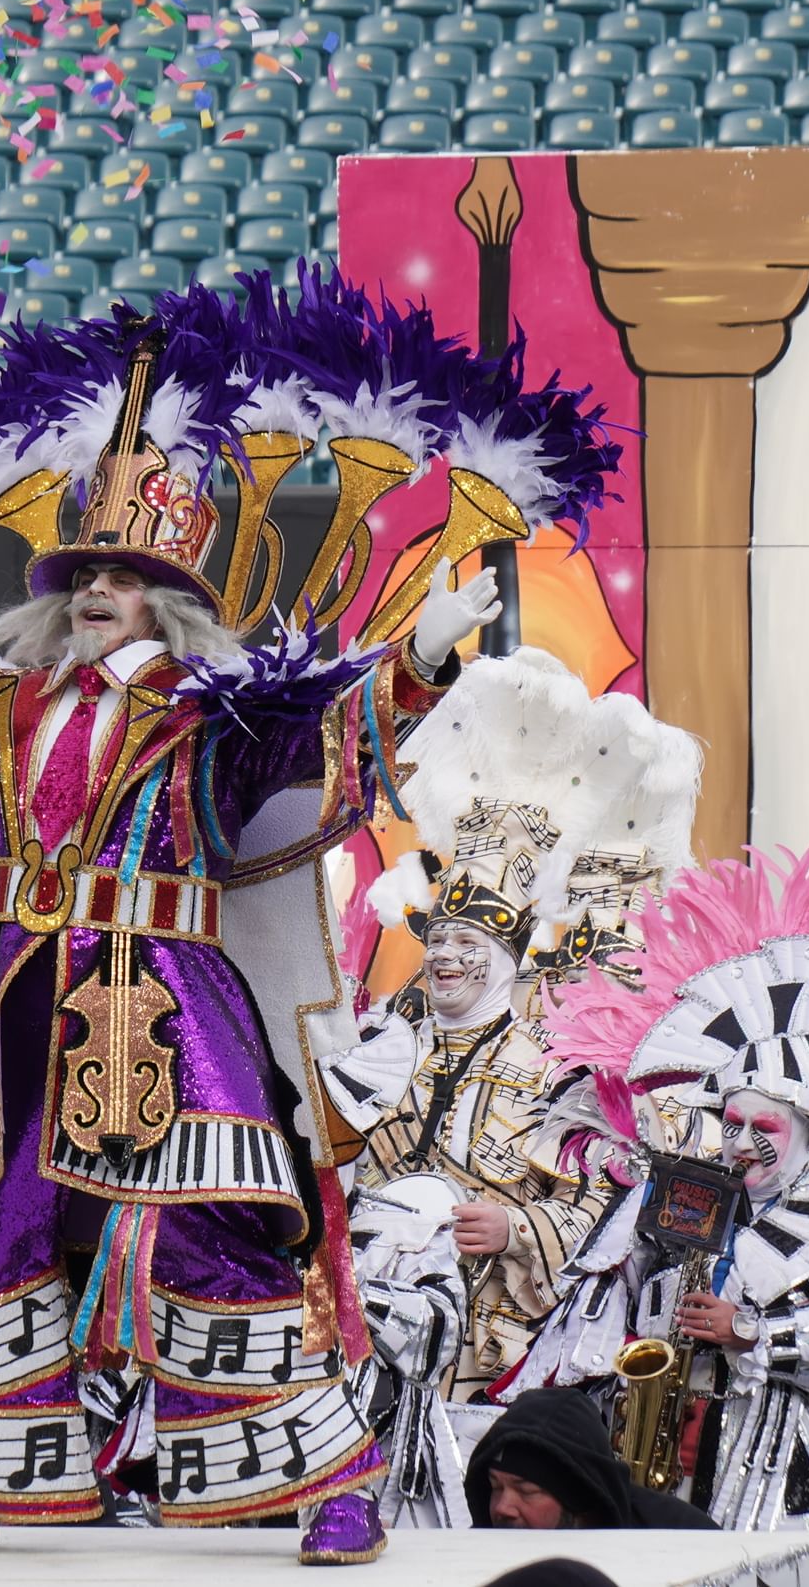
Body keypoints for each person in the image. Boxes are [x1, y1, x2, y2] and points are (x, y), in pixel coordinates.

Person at [0, 272, 618, 1561]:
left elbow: (334, 725)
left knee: (206, 1236)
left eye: (125, 573)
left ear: (169, 599)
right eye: (85, 566)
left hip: (167, 1007)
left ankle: (329, 1482)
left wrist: (417, 656)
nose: (97, 585)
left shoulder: (219, 719)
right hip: (9, 1004)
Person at [324, 648, 699, 1526]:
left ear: (504, 959)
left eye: (471, 947)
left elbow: (614, 1207)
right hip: (376, 1331)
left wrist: (516, 1226)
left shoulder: (553, 1059)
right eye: (439, 941)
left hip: (503, 1343)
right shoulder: (385, 1042)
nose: (448, 957)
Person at [504, 839, 809, 1581]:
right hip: (662, 1448)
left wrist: (752, 1330)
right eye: (730, 1124)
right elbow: (594, 1314)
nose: (739, 1143)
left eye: (762, 1129)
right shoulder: (681, 1189)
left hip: (780, 1461)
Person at [463, 1387, 716, 1530]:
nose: (501, 1508)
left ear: (580, 1495)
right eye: (496, 1486)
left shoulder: (685, 1540)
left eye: (526, 1491)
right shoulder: (475, 1556)